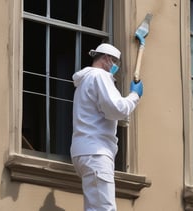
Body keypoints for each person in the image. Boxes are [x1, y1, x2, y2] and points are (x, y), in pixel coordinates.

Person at [70, 43, 143, 211]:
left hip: (85, 151)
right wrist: (134, 96)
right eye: (115, 62)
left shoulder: (84, 81)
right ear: (107, 59)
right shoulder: (100, 76)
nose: (115, 67)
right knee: (104, 209)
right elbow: (117, 109)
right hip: (96, 152)